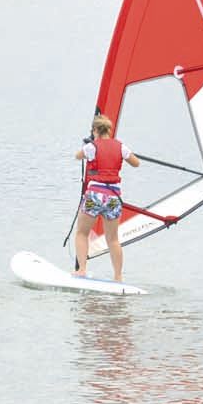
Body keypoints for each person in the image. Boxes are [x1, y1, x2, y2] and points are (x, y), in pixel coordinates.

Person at [71, 114, 143, 282]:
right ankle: (118, 277)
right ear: (109, 130)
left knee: (82, 233)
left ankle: (82, 270)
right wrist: (122, 154)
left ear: (95, 130)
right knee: (113, 239)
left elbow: (77, 156)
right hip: (113, 197)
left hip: (95, 195)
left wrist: (88, 144)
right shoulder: (121, 146)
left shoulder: (91, 147)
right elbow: (136, 163)